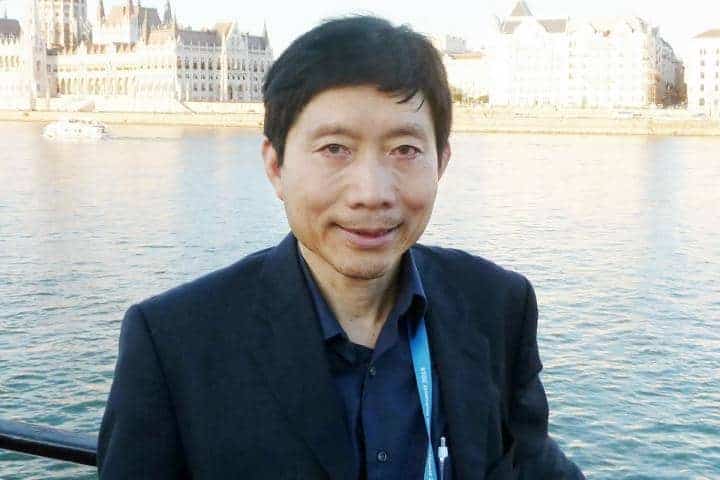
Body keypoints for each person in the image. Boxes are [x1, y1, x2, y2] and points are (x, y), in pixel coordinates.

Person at [97, 15, 585, 480]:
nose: (371, 193)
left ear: (441, 162)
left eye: (405, 150)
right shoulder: (173, 345)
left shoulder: (497, 306)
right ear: (276, 167)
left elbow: (530, 464)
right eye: (335, 149)